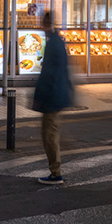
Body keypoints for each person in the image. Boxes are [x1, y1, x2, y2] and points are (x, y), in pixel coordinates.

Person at [32, 10, 73, 186]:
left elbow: (49, 74)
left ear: (46, 24)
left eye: (43, 23)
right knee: (51, 134)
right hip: (57, 95)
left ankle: (56, 173)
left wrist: (40, 96)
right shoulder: (57, 42)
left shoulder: (52, 45)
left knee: (49, 136)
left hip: (52, 97)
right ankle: (55, 171)